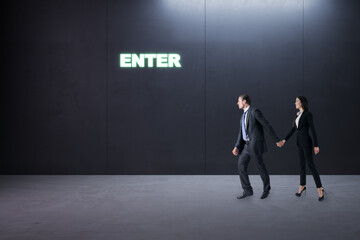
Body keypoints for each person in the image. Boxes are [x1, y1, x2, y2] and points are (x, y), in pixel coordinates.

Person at [232, 94, 283, 199]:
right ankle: (247, 190)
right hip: (245, 146)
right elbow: (241, 133)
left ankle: (266, 189)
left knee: (260, 167)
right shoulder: (242, 116)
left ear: (244, 101)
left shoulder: (255, 111)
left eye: (238, 101)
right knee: (241, 165)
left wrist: (276, 140)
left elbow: (266, 125)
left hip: (254, 145)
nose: (237, 103)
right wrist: (237, 146)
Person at [278, 96, 326, 201]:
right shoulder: (297, 115)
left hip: (307, 143)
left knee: (311, 166)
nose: (295, 103)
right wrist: (284, 140)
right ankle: (302, 185)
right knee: (302, 166)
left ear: (302, 103)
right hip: (299, 143)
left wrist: (316, 145)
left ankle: (320, 189)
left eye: (297, 101)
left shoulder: (308, 114)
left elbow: (313, 129)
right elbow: (293, 130)